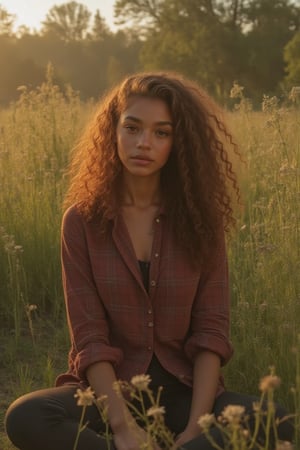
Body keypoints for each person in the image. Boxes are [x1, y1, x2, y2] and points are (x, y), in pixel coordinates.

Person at [5, 72, 293, 450]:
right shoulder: (82, 221)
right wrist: (123, 428)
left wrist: (196, 428)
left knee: (279, 420)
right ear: (114, 132)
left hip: (184, 395)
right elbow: (89, 336)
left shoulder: (200, 222)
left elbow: (211, 333)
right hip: (110, 394)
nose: (144, 143)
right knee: (26, 416)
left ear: (179, 142)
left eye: (162, 132)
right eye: (133, 127)